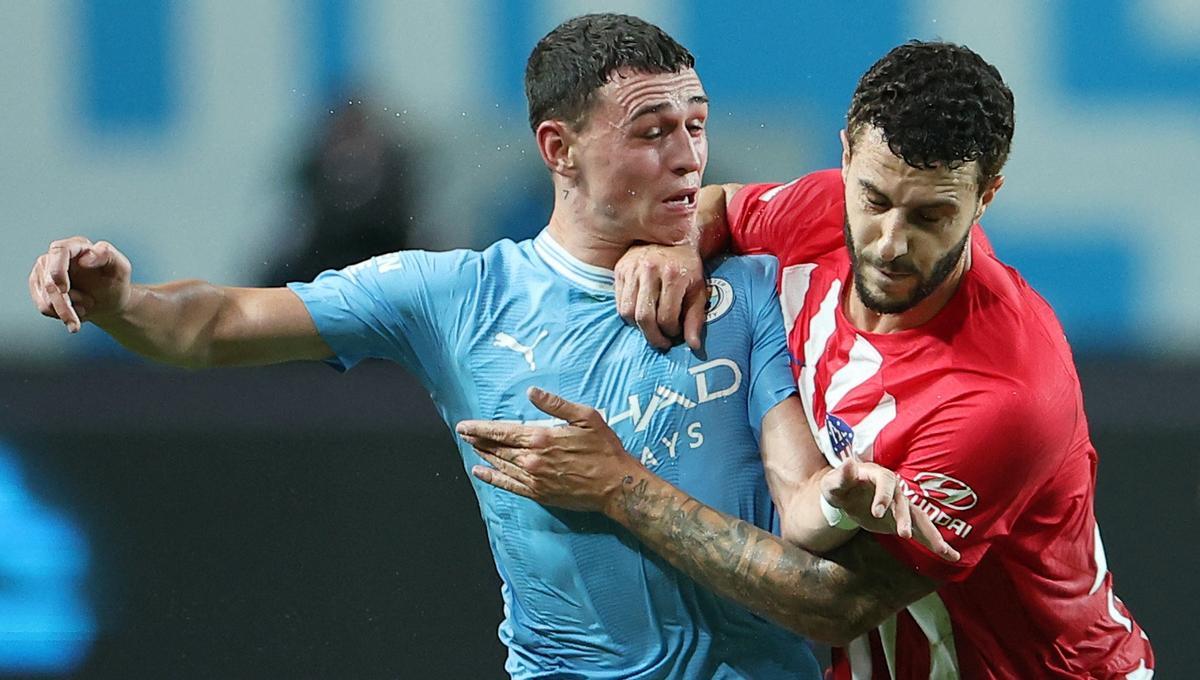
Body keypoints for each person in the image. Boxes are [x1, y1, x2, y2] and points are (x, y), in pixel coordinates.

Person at [26, 14, 951, 679]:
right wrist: (120, 299)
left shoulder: (748, 291)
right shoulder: (456, 296)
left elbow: (796, 498)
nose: (688, 158)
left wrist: (839, 496)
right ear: (560, 148)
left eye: (697, 126)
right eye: (653, 133)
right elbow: (218, 323)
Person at [459, 41, 1155, 678]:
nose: (888, 242)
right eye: (875, 199)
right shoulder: (823, 209)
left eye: (930, 216)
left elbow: (837, 605)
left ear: (985, 198)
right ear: (847, 155)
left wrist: (618, 487)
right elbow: (722, 207)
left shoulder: (1003, 397)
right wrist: (675, 244)